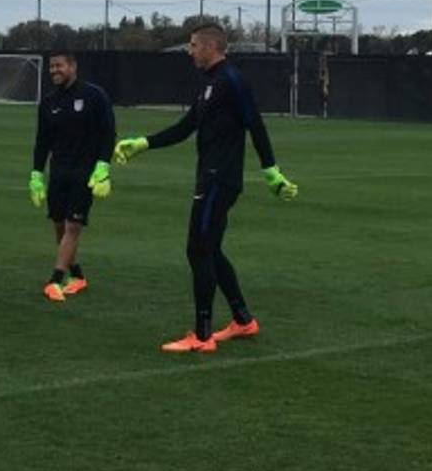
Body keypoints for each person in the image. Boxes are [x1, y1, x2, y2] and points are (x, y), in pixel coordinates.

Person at [113, 23, 298, 353]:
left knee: (197, 249)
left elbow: (255, 123)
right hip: (209, 178)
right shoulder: (210, 84)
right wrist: (143, 143)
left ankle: (201, 336)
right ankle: (243, 320)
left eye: (194, 45)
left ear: (212, 46)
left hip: (219, 180)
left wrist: (271, 171)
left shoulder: (232, 80)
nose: (190, 51)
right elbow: (186, 127)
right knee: (210, 249)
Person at [30, 51, 116, 302]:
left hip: (85, 172)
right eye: (51, 67)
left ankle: (54, 280)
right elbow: (42, 141)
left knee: (73, 225)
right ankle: (77, 276)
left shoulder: (94, 95)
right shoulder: (48, 102)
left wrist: (103, 167)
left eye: (59, 66)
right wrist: (36, 173)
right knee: (59, 224)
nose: (54, 70)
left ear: (73, 67)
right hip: (59, 171)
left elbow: (108, 132)